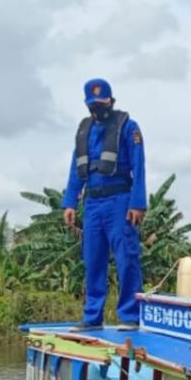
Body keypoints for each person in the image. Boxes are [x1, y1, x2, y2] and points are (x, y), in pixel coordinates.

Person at [62, 78, 147, 330]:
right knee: (93, 259)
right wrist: (69, 202)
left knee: (126, 257)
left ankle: (130, 316)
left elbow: (139, 168)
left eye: (102, 102)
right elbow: (75, 169)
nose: (98, 108)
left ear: (111, 100)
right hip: (92, 204)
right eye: (93, 104)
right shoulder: (84, 130)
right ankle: (92, 318)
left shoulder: (128, 126)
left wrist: (138, 204)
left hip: (120, 200)